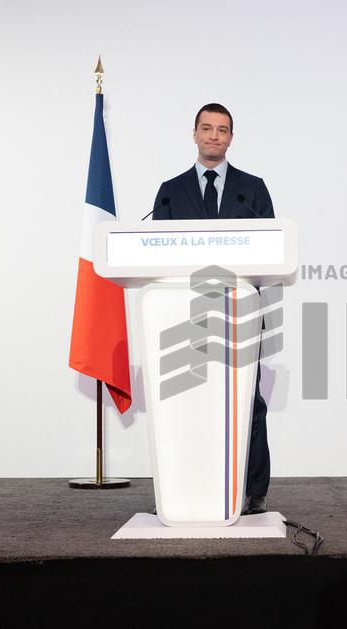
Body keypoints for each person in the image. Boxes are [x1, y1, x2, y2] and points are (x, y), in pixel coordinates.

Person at [152, 103, 274, 514]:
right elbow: (156, 252)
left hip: (240, 311)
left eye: (222, 130)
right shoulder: (171, 191)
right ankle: (188, 485)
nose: (214, 136)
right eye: (207, 128)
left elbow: (270, 248)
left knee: (247, 402)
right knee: (186, 402)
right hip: (182, 313)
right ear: (195, 134)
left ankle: (254, 490)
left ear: (231, 138)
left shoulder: (252, 189)